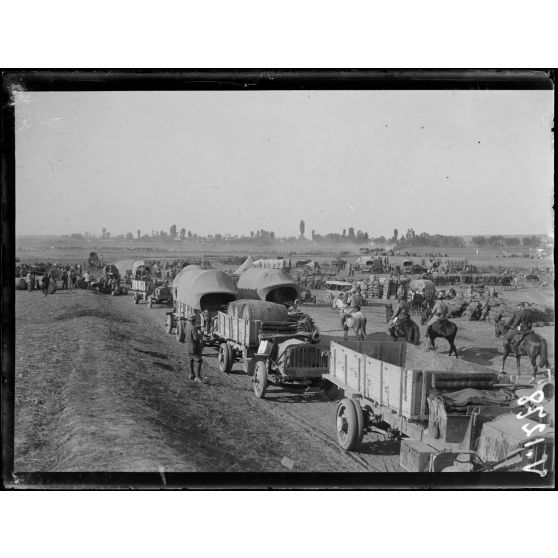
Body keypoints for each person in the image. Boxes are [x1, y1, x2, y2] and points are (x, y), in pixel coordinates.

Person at [185, 314, 204, 382]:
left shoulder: (187, 326)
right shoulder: (194, 328)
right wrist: (200, 334)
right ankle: (198, 377)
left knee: (191, 360)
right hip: (193, 348)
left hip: (188, 347)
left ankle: (191, 375)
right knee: (199, 360)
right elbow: (195, 339)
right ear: (194, 321)